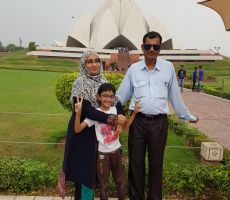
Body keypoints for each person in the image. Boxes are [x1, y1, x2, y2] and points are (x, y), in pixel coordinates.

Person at [116, 31, 198, 200]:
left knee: (156, 164)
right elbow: (121, 96)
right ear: (142, 47)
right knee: (136, 163)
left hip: (159, 124)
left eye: (155, 46)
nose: (151, 49)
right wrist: (110, 113)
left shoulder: (168, 68)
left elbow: (175, 95)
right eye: (148, 46)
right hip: (137, 123)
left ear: (160, 48)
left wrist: (186, 116)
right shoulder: (134, 69)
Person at [57, 50, 126, 200]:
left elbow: (117, 101)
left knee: (98, 174)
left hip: (100, 134)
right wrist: (114, 119)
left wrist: (121, 115)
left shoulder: (103, 80)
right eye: (89, 61)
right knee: (83, 173)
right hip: (83, 133)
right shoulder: (79, 83)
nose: (94, 64)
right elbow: (87, 111)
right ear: (84, 64)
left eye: (97, 60)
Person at [74, 83, 141, 200]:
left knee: (120, 182)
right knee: (103, 185)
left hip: (117, 153)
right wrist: (78, 113)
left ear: (114, 98)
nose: (108, 99)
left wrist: (134, 113)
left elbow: (126, 128)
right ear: (98, 97)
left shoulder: (116, 111)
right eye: (105, 95)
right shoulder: (95, 114)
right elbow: (77, 129)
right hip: (102, 155)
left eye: (111, 96)